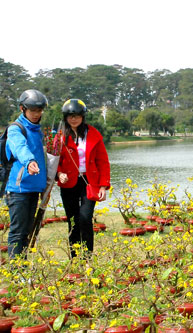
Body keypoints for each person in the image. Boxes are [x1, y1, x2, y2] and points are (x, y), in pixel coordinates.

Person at [56, 99, 111, 258]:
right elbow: (53, 161)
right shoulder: (60, 137)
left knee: (86, 218)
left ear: (83, 116)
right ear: (65, 117)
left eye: (77, 115)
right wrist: (59, 174)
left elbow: (103, 161)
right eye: (70, 116)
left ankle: (87, 257)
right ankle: (75, 257)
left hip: (88, 182)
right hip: (68, 183)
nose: (74, 119)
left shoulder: (93, 134)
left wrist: (103, 186)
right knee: (72, 221)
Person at [5, 89, 48, 258]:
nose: (37, 114)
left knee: (27, 231)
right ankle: (16, 273)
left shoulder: (37, 130)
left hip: (34, 189)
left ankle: (22, 267)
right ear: (22, 109)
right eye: (33, 110)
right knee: (18, 232)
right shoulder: (16, 129)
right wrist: (29, 161)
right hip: (18, 190)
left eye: (39, 110)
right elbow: (20, 148)